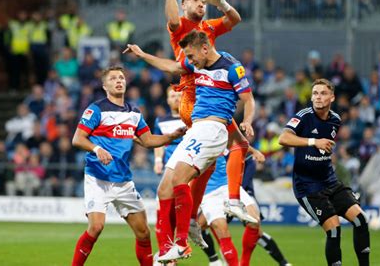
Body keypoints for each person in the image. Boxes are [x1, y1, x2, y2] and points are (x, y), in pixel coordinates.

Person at [124, 29, 256, 262]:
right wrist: (142, 54)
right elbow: (170, 67)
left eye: (192, 56)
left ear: (205, 48)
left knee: (179, 180)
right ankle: (168, 246)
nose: (190, 62)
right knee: (164, 188)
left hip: (213, 129)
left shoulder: (232, 68)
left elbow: (248, 99)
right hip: (196, 130)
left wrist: (246, 121)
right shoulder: (196, 63)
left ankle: (182, 242)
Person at [164, 0, 256, 228]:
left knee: (225, 154)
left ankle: (193, 218)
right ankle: (221, 206)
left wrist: (222, 2)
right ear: (184, 4)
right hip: (194, 99)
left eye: (203, 1)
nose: (201, 4)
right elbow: (170, 20)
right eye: (195, 0)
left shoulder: (209, 28)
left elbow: (235, 20)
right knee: (228, 149)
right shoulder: (181, 26)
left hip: (209, 92)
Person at [71, 66, 186, 266]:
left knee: (143, 233)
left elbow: (148, 140)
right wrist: (97, 149)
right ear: (105, 85)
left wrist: (171, 137)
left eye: (121, 77)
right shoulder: (96, 109)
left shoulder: (133, 112)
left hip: (123, 181)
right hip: (98, 178)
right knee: (96, 227)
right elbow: (78, 139)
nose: (119, 81)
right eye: (113, 78)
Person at [279, 78, 370, 266]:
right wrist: (314, 141)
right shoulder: (303, 116)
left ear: (332, 97)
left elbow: (327, 147)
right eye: (315, 93)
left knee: (361, 219)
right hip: (307, 187)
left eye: (323, 93)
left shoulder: (336, 120)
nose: (318, 97)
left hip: (330, 181)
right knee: (334, 230)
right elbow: (283, 138)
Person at [199, 152, 291, 266]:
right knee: (203, 226)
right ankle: (215, 260)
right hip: (212, 194)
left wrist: (254, 151)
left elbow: (245, 177)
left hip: (238, 190)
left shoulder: (244, 154)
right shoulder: (208, 145)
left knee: (255, 225)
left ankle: (282, 263)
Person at [153, 86, 185, 175]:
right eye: (173, 96)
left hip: (189, 165)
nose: (176, 99)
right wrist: (158, 161)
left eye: (179, 95)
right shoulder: (160, 121)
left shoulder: (193, 119)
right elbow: (158, 143)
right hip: (169, 165)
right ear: (168, 100)